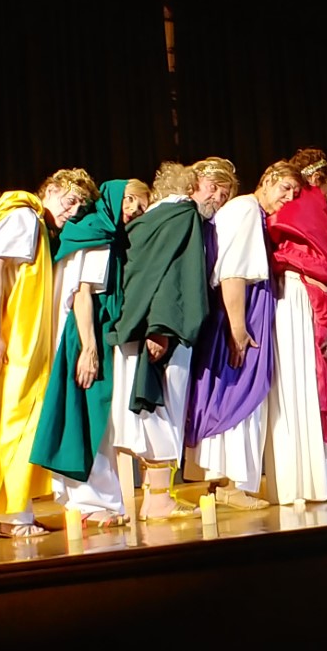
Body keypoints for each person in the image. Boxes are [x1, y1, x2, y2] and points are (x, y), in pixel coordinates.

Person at [0, 169, 92, 537]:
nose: (72, 211)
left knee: (12, 420)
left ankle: (7, 512)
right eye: (69, 200)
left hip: (18, 336)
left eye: (79, 207)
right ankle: (11, 516)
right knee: (14, 420)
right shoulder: (25, 216)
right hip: (14, 338)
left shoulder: (28, 219)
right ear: (50, 189)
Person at [187, 162, 300, 510]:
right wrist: (238, 328)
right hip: (240, 312)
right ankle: (233, 483)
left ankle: (220, 483)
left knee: (229, 392)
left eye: (295, 193)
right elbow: (233, 273)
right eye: (284, 188)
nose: (289, 197)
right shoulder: (247, 210)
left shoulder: (246, 212)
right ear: (266, 180)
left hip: (240, 311)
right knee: (239, 392)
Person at [110, 161, 211, 519]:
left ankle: (153, 496)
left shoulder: (141, 223)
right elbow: (175, 275)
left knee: (148, 410)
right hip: (164, 327)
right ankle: (159, 499)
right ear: (190, 189)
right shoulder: (183, 216)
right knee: (165, 406)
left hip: (133, 326)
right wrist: (162, 328)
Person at [31, 178, 131, 531]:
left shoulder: (73, 235)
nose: (133, 211)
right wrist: (89, 348)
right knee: (89, 416)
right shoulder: (96, 235)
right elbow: (83, 294)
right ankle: (91, 503)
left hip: (76, 331)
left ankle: (92, 501)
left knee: (85, 415)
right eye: (129, 202)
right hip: (83, 333)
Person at [268, 156, 327, 505]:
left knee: (297, 385)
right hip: (301, 296)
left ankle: (300, 480)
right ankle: (316, 478)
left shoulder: (291, 208)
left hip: (293, 293)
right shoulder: (310, 203)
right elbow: (325, 264)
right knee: (306, 381)